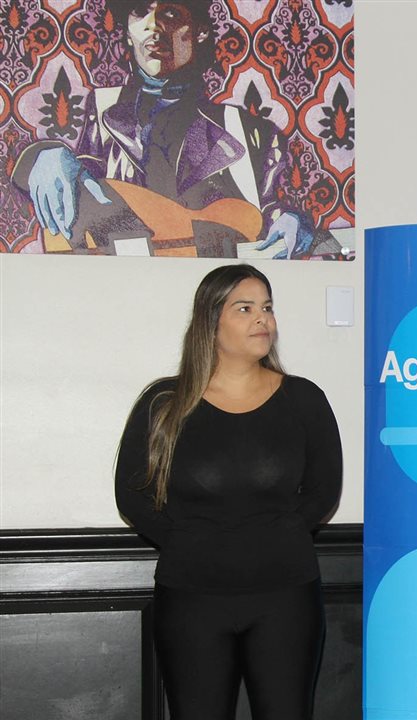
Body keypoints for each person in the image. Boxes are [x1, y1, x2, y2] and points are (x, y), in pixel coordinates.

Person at [115, 263, 342, 719]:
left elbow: (324, 490)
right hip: (191, 598)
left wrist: (275, 537)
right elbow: (132, 495)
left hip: (286, 596)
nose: (263, 319)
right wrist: (192, 541)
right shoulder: (163, 403)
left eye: (267, 307)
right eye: (245, 308)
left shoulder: (303, 399)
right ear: (210, 322)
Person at [10, 0, 331, 258]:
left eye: (171, 12)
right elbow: (82, 184)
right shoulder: (102, 114)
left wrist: (296, 224)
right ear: (127, 32)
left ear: (200, 30)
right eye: (140, 12)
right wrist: (44, 156)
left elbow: (272, 213)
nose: (153, 26)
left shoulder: (253, 132)